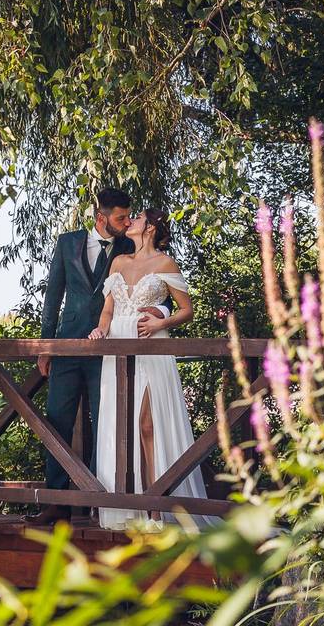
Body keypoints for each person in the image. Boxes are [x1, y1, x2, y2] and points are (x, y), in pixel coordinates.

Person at [25, 189, 169, 526]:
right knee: (56, 419)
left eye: (129, 217)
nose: (127, 222)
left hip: (111, 347)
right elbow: (53, 296)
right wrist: (46, 345)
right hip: (67, 345)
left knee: (107, 421)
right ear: (100, 217)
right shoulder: (67, 243)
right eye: (120, 217)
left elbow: (163, 290)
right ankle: (56, 502)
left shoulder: (129, 247)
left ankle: (96, 499)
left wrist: (159, 311)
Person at [89, 208, 217, 531]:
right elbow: (108, 310)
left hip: (151, 347)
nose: (130, 221)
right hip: (118, 347)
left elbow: (187, 310)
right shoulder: (118, 262)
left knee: (147, 424)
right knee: (120, 426)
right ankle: (125, 507)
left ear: (151, 227)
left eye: (138, 218)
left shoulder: (165, 263)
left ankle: (155, 508)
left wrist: (163, 320)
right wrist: (100, 330)